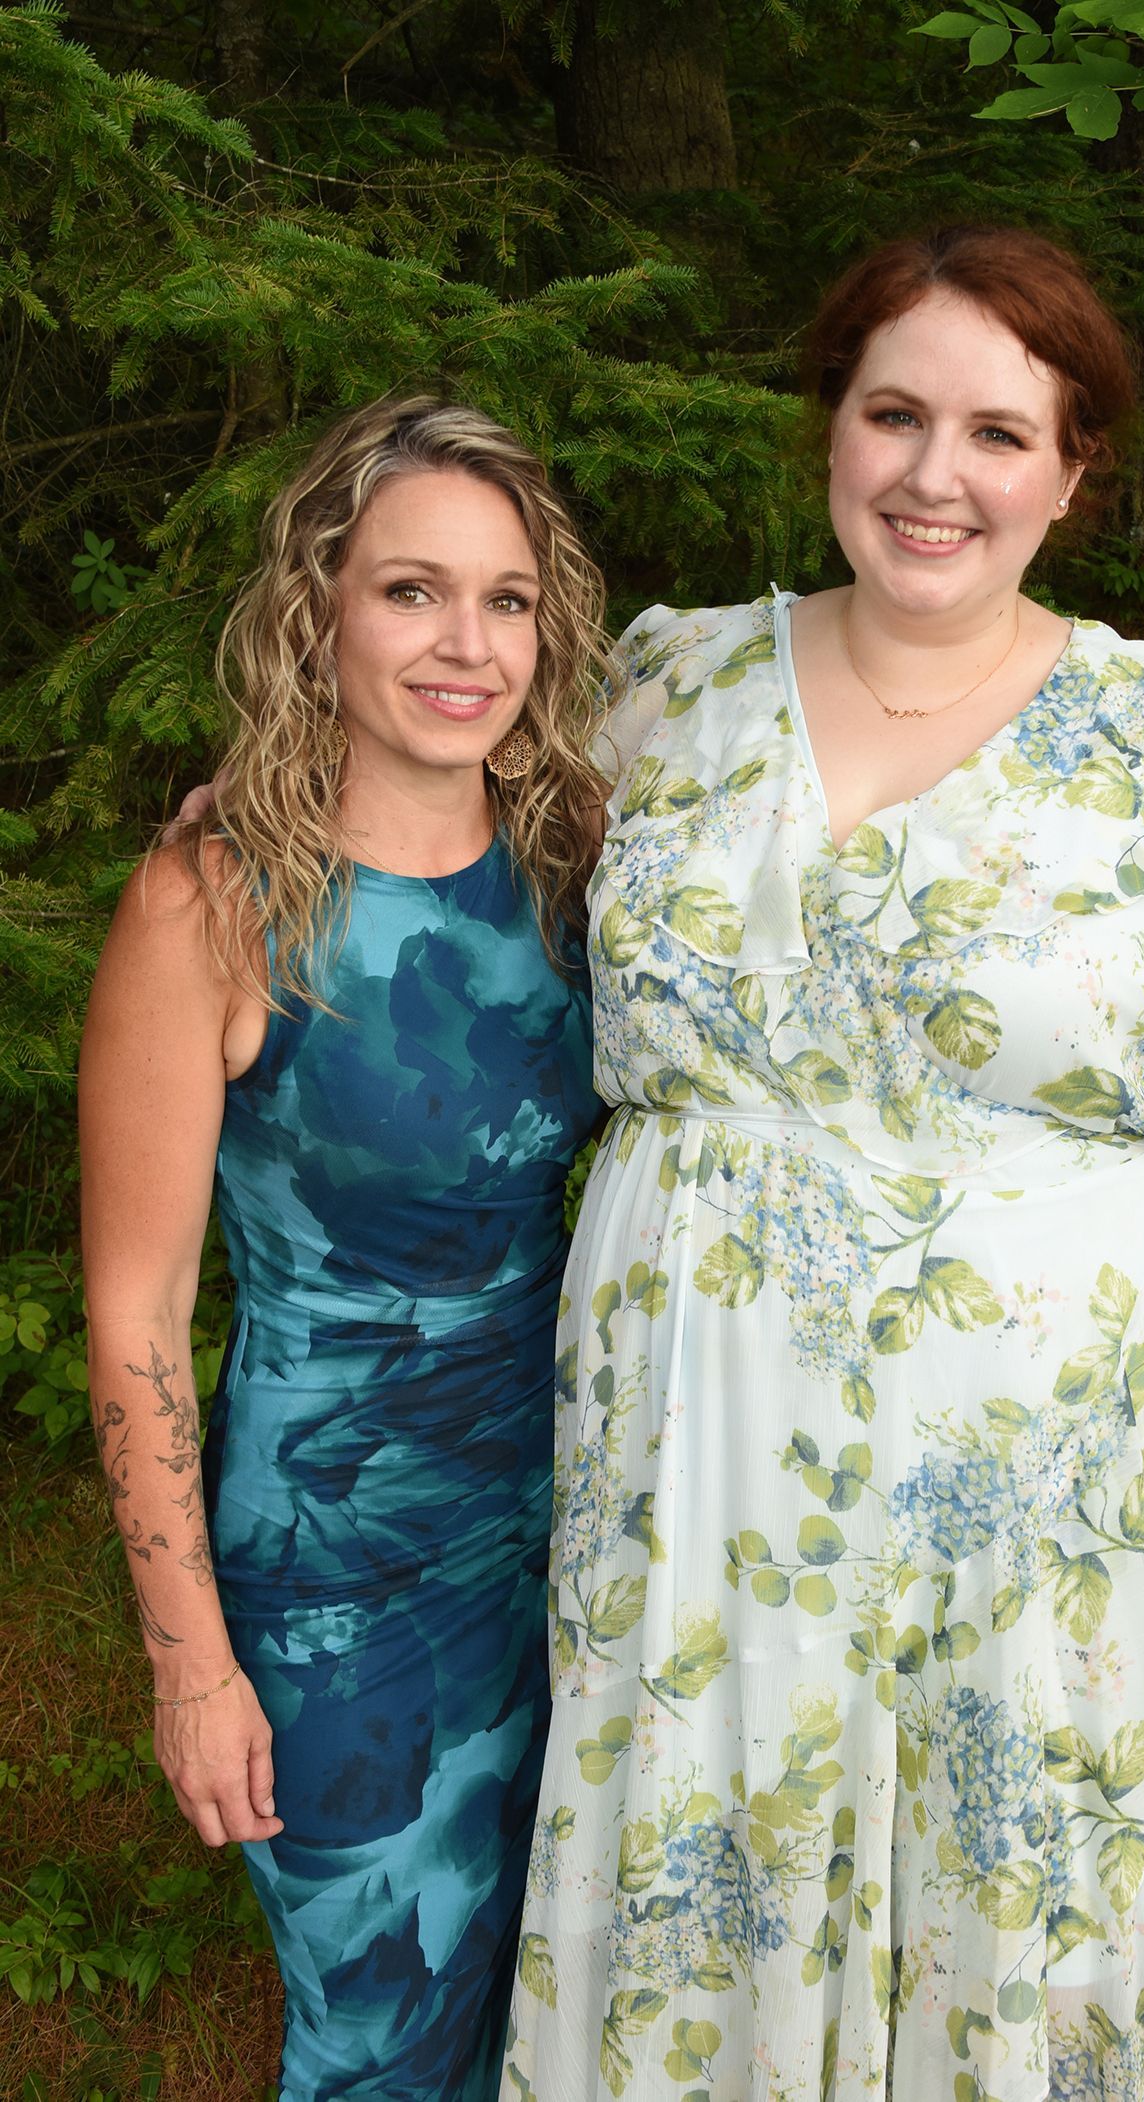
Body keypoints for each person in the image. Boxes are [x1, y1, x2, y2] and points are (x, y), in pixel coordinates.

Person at [499, 227, 1144, 2101]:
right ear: (829, 432)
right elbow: (425, 841)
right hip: (706, 1476)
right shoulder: (657, 700)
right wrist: (257, 797)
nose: (940, 474)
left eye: (1000, 433)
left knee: (1031, 1917)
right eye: (896, 413)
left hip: (1050, 1504)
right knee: (719, 1886)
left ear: (1073, 472)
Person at [79, 398, 605, 2101]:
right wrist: (190, 1664)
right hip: (336, 1574)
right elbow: (137, 1305)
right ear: (317, 613)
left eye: (507, 599)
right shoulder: (217, 900)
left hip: (582, 1541)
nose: (467, 644)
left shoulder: (581, 859)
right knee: (380, 2026)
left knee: (552, 2004)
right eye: (410, 592)